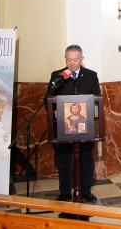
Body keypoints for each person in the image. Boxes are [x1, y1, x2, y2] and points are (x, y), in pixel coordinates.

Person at [47, 45, 101, 203]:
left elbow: (97, 98)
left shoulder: (91, 76)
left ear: (81, 59)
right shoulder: (57, 76)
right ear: (65, 59)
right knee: (63, 161)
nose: (72, 63)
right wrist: (54, 111)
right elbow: (48, 99)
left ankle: (86, 192)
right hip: (64, 127)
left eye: (75, 60)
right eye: (69, 60)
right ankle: (64, 192)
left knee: (86, 160)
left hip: (84, 127)